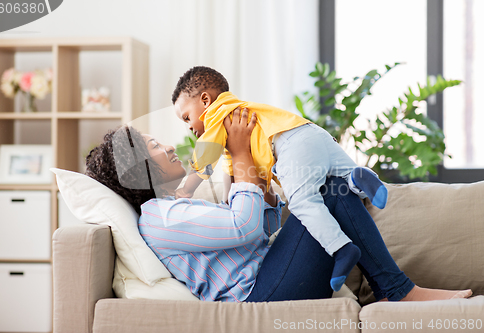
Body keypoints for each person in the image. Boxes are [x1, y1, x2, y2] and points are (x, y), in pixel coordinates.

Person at [85, 107, 472, 303]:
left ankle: (393, 287)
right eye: (155, 146)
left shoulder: (175, 205)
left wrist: (261, 182)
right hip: (262, 292)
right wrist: (240, 156)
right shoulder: (159, 218)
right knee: (326, 191)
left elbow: (258, 227)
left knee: (326, 188)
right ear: (139, 173)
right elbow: (244, 227)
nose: (168, 146)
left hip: (273, 273)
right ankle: (397, 290)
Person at [171, 66, 387, 291]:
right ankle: (357, 178)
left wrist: (186, 189)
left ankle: (341, 248)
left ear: (205, 100)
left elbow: (205, 157)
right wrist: (228, 200)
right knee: (341, 180)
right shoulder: (241, 113)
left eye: (187, 117)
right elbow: (231, 167)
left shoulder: (219, 115)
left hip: (289, 147)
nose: (188, 126)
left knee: (303, 202)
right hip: (309, 132)